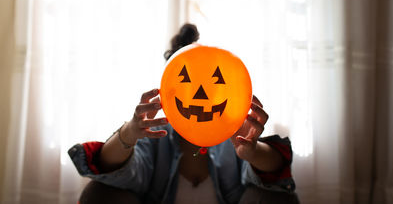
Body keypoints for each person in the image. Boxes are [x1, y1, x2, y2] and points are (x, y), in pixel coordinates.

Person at [69, 24, 299, 204]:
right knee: (99, 193)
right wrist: (129, 132)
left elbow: (272, 172)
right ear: (168, 87)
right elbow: (117, 171)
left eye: (214, 79)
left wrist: (252, 150)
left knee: (278, 197)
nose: (199, 94)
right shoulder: (156, 132)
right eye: (186, 79)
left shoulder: (232, 127)